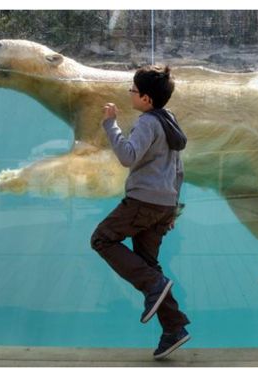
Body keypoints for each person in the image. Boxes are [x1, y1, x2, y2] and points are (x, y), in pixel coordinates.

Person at [90, 65, 190, 360]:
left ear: (146, 99)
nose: (130, 94)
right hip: (163, 205)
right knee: (148, 264)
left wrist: (111, 124)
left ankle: (153, 286)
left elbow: (127, 156)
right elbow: (179, 171)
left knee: (102, 240)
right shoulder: (170, 121)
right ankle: (173, 328)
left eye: (133, 90)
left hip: (142, 201)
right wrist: (172, 209)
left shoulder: (148, 122)